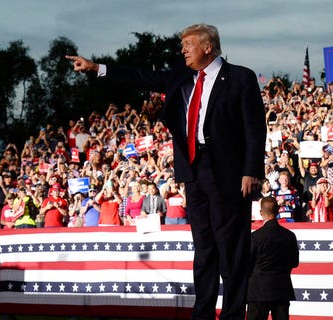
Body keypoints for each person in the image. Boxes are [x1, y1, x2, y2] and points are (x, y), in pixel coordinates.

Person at [67, 23, 266, 319]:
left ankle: (234, 315)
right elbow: (140, 76)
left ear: (208, 47)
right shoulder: (181, 76)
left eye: (188, 45)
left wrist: (251, 171)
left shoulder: (240, 77)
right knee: (204, 249)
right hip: (194, 171)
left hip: (229, 173)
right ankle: (203, 313)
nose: (182, 50)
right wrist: (97, 67)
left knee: (232, 249)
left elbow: (254, 127)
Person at [247, 197, 299, 320]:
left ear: (261, 213)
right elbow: (294, 262)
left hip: (258, 290)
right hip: (281, 289)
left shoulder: (255, 237)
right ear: (278, 211)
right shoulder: (290, 236)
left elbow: (247, 264)